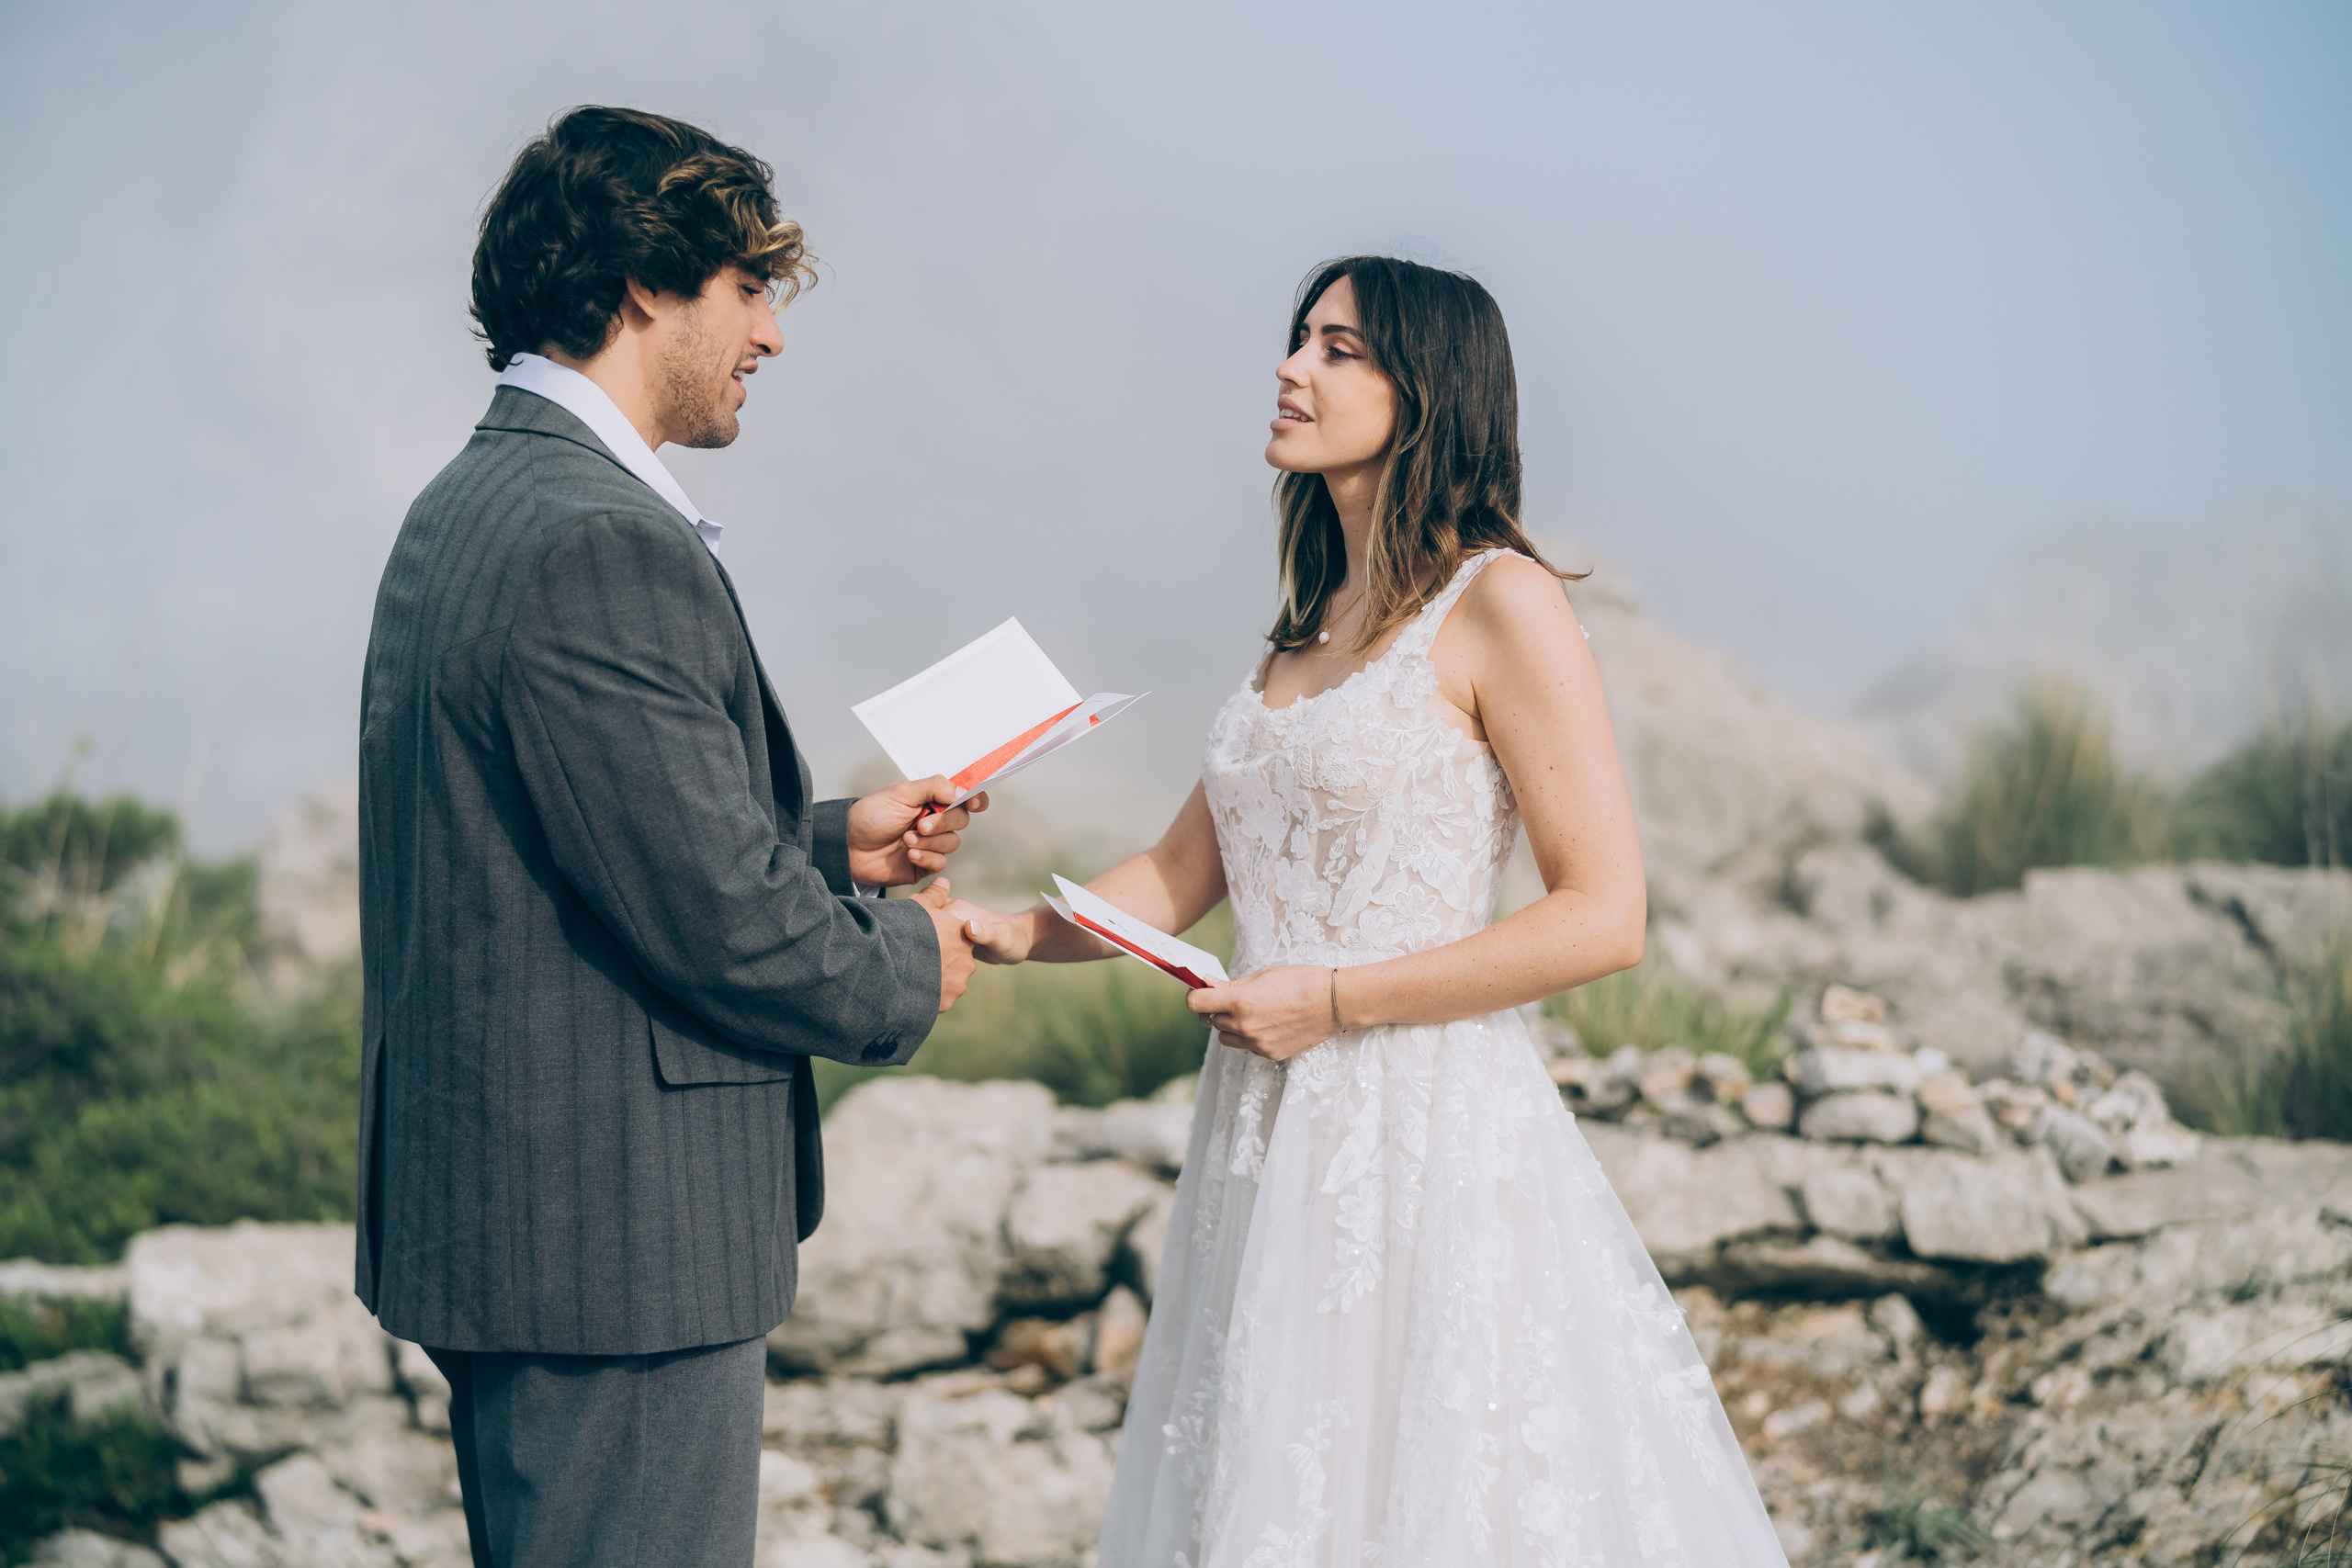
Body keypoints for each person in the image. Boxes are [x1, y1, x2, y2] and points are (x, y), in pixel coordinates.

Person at [961, 257, 1790, 1562]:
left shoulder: (1501, 601)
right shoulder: (1301, 632)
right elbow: (1180, 875)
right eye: (1299, 341)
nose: (1292, 368)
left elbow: (1603, 914)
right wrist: (1008, 930)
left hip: (1423, 1124)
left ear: (1429, 392)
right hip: (1262, 1128)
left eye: (1339, 350)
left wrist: (1332, 1000)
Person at [356, 107, 991, 1567]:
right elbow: (720, 917)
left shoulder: (475, 498)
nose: (770, 334)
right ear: (648, 285)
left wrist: (833, 844)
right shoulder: (597, 536)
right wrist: (911, 958)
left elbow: (583, 828)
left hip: (531, 1225)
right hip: (612, 1252)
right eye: (749, 287)